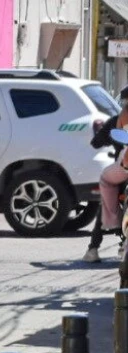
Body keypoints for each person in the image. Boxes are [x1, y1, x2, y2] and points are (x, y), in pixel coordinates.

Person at [83, 87, 128, 262]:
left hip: (122, 169)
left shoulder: (118, 120)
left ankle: (94, 247)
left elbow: (96, 143)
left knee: (106, 186)